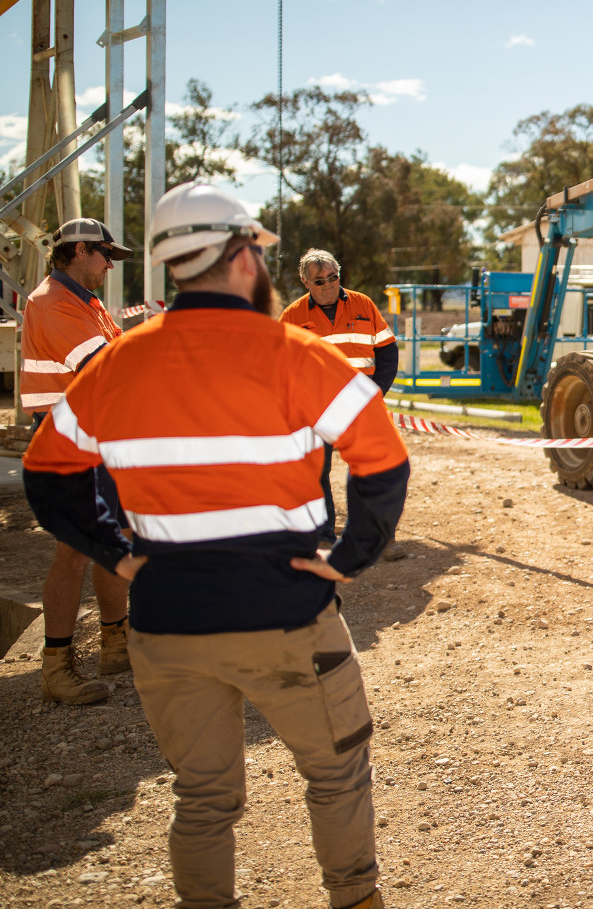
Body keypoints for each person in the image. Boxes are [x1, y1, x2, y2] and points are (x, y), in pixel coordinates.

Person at [23, 182, 408, 909]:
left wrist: (119, 553)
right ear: (244, 257)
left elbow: (48, 477)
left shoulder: (119, 362)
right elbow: (384, 463)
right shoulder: (297, 353)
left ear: (170, 264)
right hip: (288, 615)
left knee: (202, 796)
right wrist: (349, 559)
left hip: (168, 622)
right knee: (336, 775)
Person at [20, 217, 134, 704]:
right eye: (106, 255)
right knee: (74, 551)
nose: (111, 265)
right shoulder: (53, 302)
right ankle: (56, 666)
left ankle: (116, 644)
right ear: (80, 250)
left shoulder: (84, 301)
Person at [279, 249, 398, 542]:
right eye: (319, 281)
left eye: (333, 277)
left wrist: (376, 392)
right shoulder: (292, 316)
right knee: (317, 471)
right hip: (316, 410)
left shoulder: (363, 304)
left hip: (362, 406)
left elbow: (387, 351)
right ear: (306, 282)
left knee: (373, 470)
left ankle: (376, 533)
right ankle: (323, 534)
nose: (328, 284)